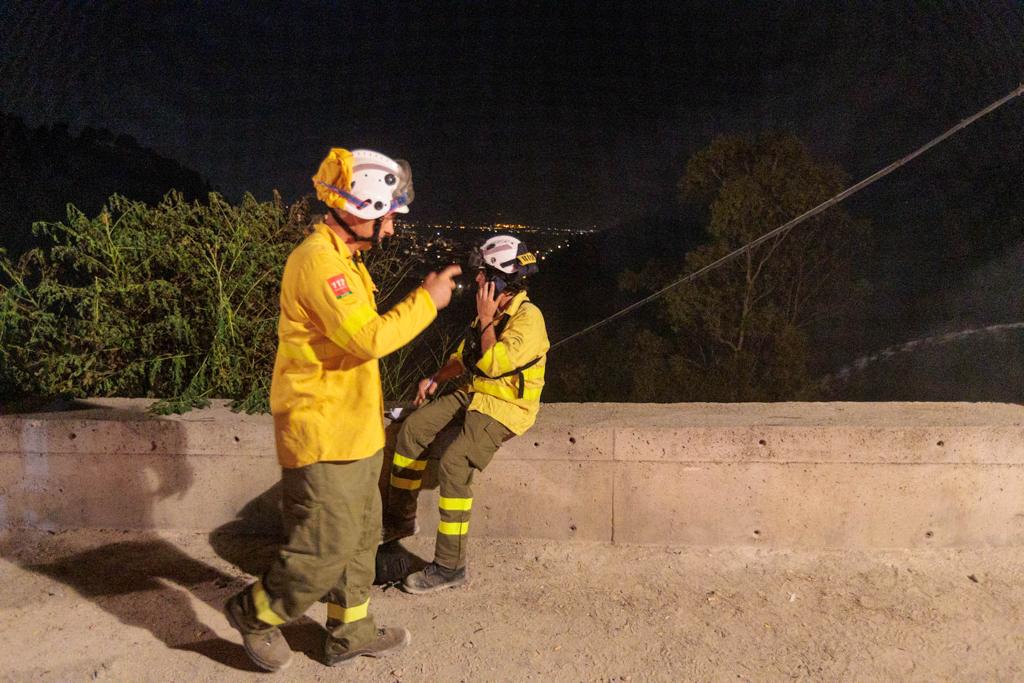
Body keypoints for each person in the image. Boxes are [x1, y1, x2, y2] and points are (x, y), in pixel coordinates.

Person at [224, 148, 461, 671]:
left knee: (359, 541)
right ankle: (254, 614)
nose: (394, 228)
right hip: (322, 437)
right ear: (362, 208)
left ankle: (350, 632)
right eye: (390, 216)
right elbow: (368, 338)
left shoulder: (345, 260)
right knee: (320, 551)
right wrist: (429, 299)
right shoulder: (317, 262)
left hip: (355, 434)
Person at [381, 235, 549, 594]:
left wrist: (487, 319)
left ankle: (450, 565)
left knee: (454, 464)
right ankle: (398, 524)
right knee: (411, 431)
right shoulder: (492, 315)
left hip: (505, 407)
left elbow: (491, 365)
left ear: (500, 280)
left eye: (482, 274)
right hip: (472, 395)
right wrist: (434, 379)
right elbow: (463, 356)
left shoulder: (527, 318)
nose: (476, 281)